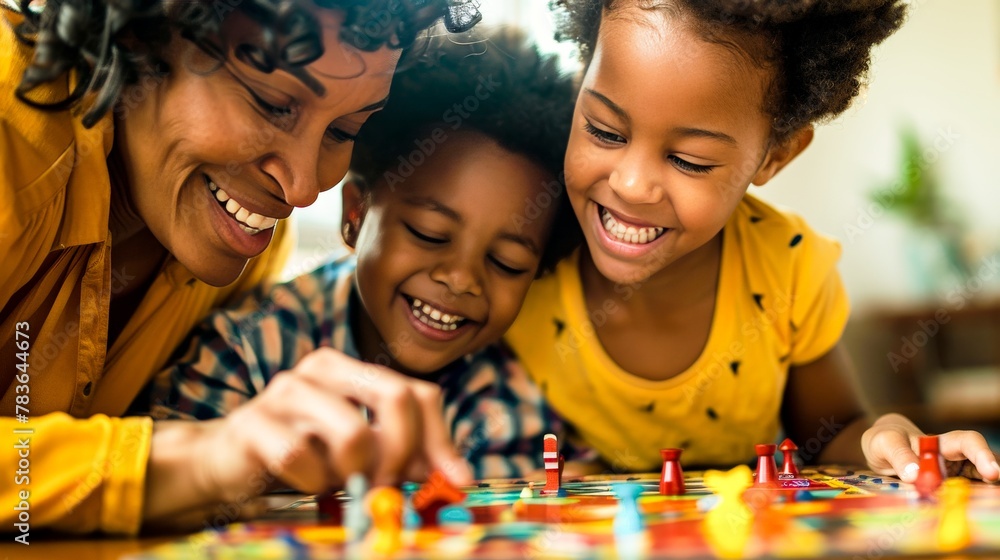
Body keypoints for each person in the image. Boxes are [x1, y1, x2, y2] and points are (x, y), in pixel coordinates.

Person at [1, 0, 482, 534]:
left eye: (344, 131)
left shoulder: (239, 243)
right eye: (271, 104)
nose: (300, 188)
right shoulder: (9, 116)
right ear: (137, 32)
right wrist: (199, 459)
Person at [505, 0, 1000, 482]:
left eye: (690, 161)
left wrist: (886, 438)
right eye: (605, 130)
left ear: (774, 157)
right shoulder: (514, 252)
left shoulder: (787, 271)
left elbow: (831, 436)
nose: (631, 185)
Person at [141, 32, 595, 480]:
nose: (461, 279)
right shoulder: (245, 352)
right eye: (428, 234)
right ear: (355, 214)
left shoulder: (515, 400)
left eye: (507, 264)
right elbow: (162, 495)